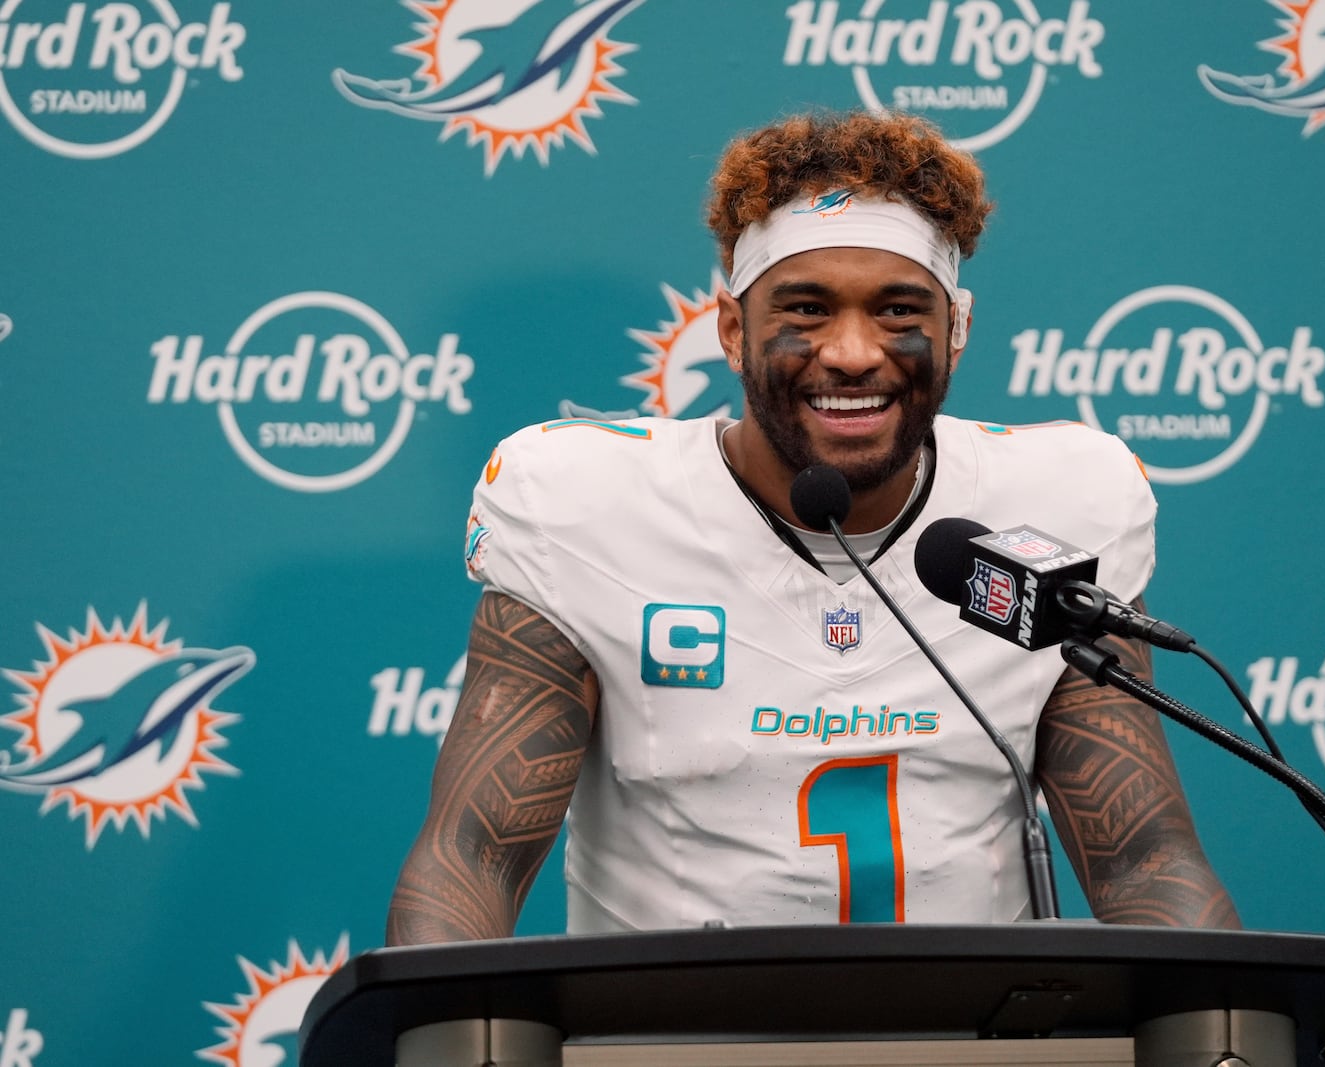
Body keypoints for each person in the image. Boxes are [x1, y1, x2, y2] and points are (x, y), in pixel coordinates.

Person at [387, 110, 1239, 943]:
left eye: (901, 311)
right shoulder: (583, 505)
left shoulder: (1055, 506)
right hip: (670, 1046)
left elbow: (1140, 858)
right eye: (806, 309)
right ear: (731, 329)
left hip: (970, 1046)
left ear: (959, 331)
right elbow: (474, 855)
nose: (854, 352)